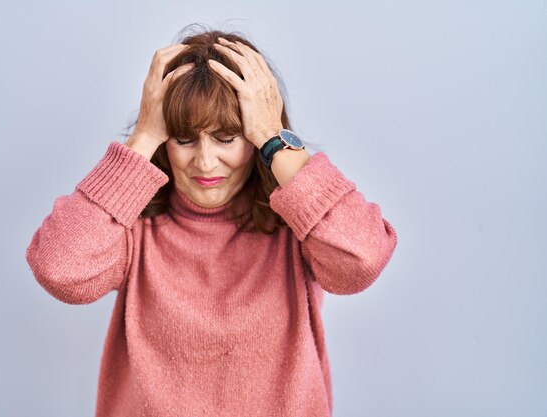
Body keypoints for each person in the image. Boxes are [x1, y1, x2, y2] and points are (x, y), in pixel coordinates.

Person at [25, 28, 398, 417]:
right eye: (185, 139)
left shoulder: (299, 223)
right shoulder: (131, 229)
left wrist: (273, 137)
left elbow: (363, 260)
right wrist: (145, 133)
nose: (205, 163)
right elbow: (59, 270)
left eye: (226, 137)